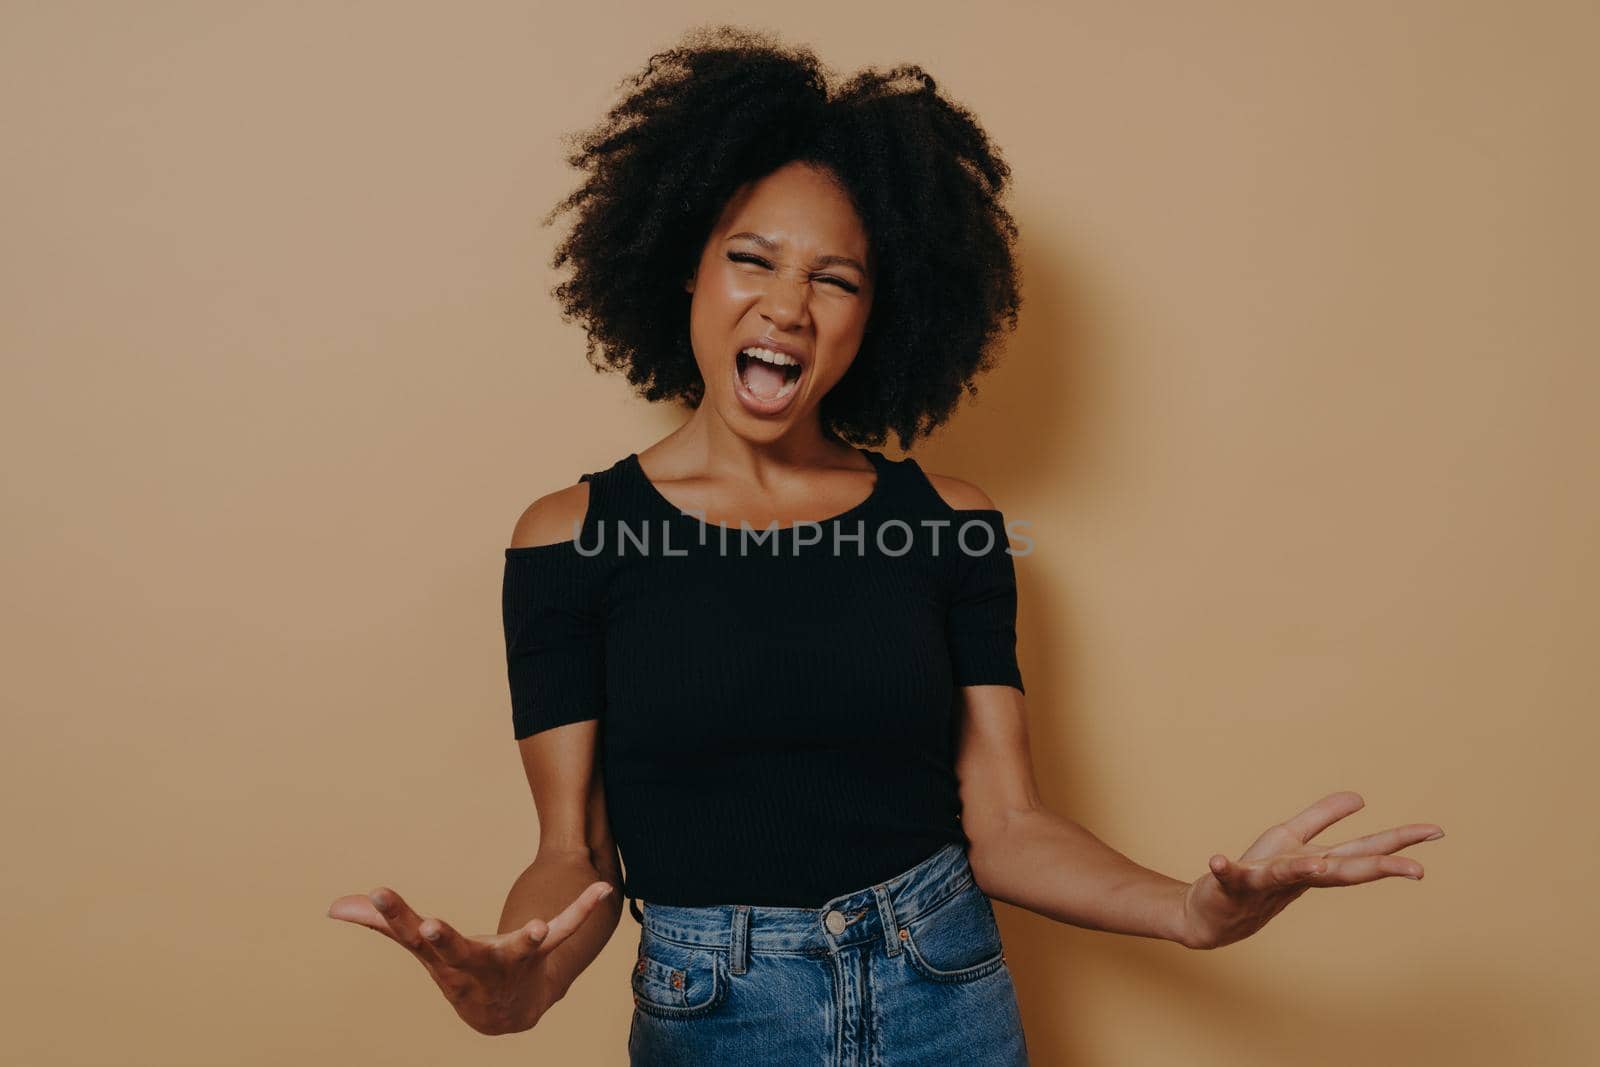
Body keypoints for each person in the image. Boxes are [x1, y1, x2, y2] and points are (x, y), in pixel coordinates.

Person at [327, 25, 1444, 1064]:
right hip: (716, 1012)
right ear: (685, 267)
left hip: (943, 989)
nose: (786, 307)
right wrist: (521, 979)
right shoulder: (572, 537)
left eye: (836, 278)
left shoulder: (948, 522)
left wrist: (1190, 912)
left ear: (880, 313)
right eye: (751, 259)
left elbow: (1004, 822)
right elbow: (573, 855)